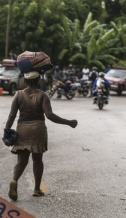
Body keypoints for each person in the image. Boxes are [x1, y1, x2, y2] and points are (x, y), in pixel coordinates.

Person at [5, 71, 78, 200]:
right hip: (38, 129)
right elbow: (50, 115)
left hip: (23, 129)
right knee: (37, 160)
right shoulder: (43, 96)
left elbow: (11, 115)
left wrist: (6, 131)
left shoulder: (18, 94)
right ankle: (37, 189)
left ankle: (14, 180)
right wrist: (68, 122)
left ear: (25, 82)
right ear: (39, 81)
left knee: (22, 161)